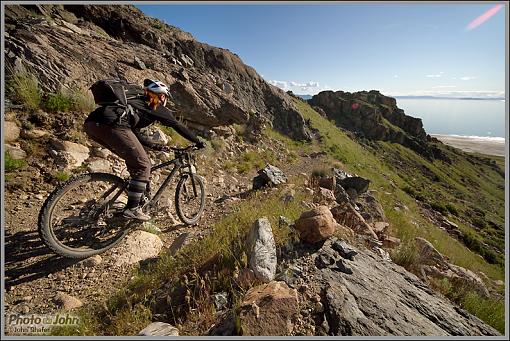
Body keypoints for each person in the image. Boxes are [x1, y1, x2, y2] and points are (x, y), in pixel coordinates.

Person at [84, 79, 204, 221]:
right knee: (144, 165)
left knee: (136, 162)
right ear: (162, 96)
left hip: (92, 124)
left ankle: (131, 195)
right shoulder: (154, 105)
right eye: (164, 97)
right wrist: (198, 141)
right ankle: (132, 209)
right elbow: (177, 125)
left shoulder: (134, 103)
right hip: (112, 125)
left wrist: (154, 145)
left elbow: (134, 133)